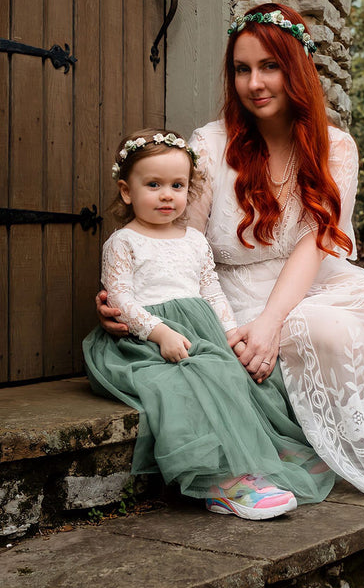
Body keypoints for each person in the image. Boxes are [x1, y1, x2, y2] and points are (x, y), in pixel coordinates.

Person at [97, 6, 364, 588]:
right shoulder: (209, 145)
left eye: (270, 66)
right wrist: (134, 291)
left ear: (297, 69)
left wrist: (274, 322)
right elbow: (183, 240)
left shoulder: (335, 146)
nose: (255, 83)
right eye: (242, 69)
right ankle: (335, 452)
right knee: (323, 332)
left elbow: (315, 242)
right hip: (233, 290)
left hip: (309, 277)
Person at [83, 128, 335, 520]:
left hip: (199, 331)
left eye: (177, 185)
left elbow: (212, 291)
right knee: (185, 385)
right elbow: (121, 299)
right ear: (126, 190)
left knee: (239, 372)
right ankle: (224, 481)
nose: (168, 195)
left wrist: (229, 332)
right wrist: (160, 332)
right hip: (143, 341)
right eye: (154, 184)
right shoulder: (123, 242)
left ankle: (267, 450)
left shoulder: (194, 242)